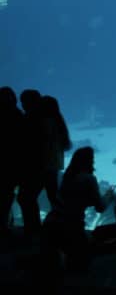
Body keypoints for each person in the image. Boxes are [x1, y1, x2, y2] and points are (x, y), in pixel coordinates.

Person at [41, 146, 116, 272]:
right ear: (90, 162)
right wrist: (109, 194)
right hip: (72, 229)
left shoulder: (63, 177)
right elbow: (100, 207)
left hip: (51, 225)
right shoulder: (88, 179)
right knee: (80, 267)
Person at [16, 89, 46, 239]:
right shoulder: (40, 118)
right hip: (37, 166)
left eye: (24, 101)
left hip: (33, 167)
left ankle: (33, 229)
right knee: (27, 198)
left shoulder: (31, 119)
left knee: (25, 198)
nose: (22, 105)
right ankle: (34, 228)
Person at [0, 86, 23, 240]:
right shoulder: (18, 116)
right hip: (12, 165)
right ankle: (4, 226)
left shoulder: (17, 116)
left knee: (6, 196)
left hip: (7, 164)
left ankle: (4, 225)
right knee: (7, 196)